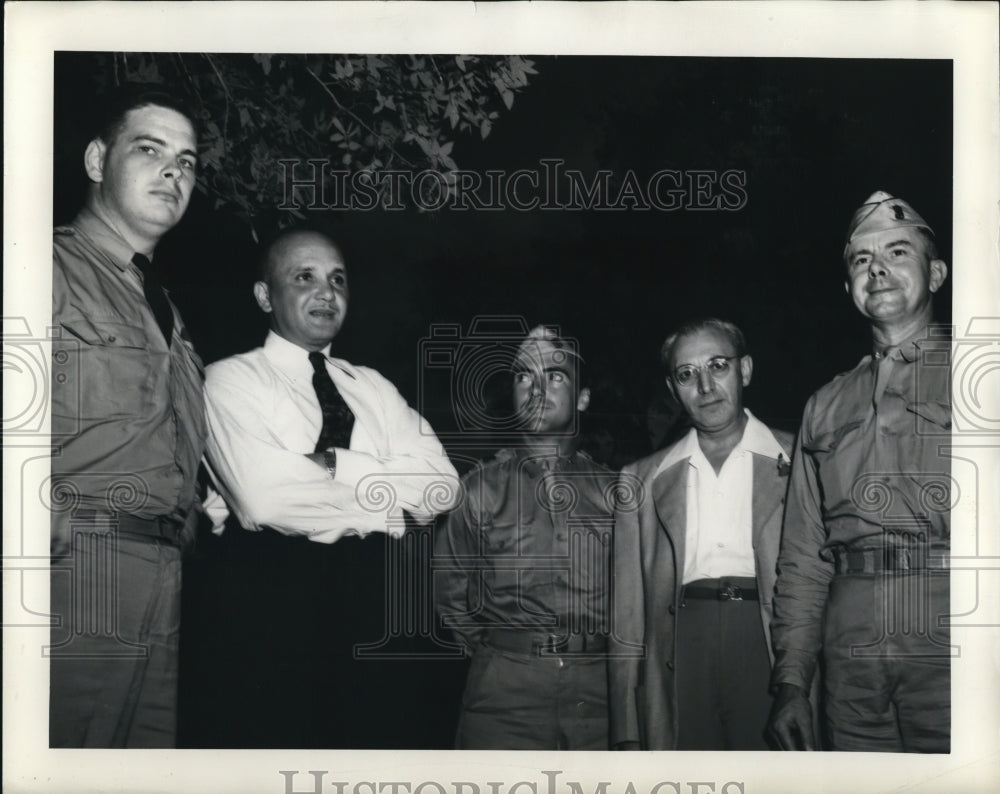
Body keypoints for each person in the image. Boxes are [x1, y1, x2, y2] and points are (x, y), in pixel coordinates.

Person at [199, 227, 458, 747]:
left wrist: (337, 463)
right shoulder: (228, 380)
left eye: (338, 278)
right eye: (305, 277)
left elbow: (441, 488)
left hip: (377, 596)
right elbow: (262, 498)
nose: (327, 292)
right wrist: (387, 499)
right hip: (273, 594)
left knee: (381, 748)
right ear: (264, 296)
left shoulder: (374, 387)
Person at [50, 84, 205, 747]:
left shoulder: (166, 311)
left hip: (162, 577)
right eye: (150, 150)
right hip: (75, 568)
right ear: (94, 161)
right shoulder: (43, 265)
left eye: (188, 161)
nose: (173, 171)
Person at [768, 191, 951, 752]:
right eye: (861, 260)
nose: (877, 269)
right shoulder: (824, 405)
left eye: (898, 252)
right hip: (850, 646)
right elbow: (802, 557)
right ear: (848, 285)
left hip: (953, 626)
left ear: (936, 273)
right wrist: (792, 683)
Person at [608, 318, 795, 750]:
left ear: (744, 370)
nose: (706, 386)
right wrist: (626, 731)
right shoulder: (640, 479)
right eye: (687, 375)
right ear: (673, 390)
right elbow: (626, 618)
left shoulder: (800, 458)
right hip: (681, 646)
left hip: (768, 642)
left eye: (718, 366)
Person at [434, 326, 617, 749]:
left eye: (555, 376)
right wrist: (506, 656)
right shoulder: (478, 491)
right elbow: (450, 601)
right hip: (503, 699)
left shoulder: (616, 494)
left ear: (583, 398)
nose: (535, 388)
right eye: (523, 376)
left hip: (600, 696)